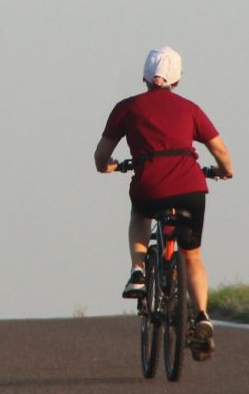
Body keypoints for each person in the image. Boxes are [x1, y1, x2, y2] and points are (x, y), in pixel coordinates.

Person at [95, 47, 235, 360]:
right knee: (193, 255)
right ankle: (201, 316)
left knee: (139, 215)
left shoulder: (126, 108)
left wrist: (111, 166)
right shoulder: (190, 108)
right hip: (190, 187)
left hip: (149, 186)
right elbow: (221, 152)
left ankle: (138, 272)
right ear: (177, 80)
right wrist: (224, 172)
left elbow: (100, 156)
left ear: (145, 77)